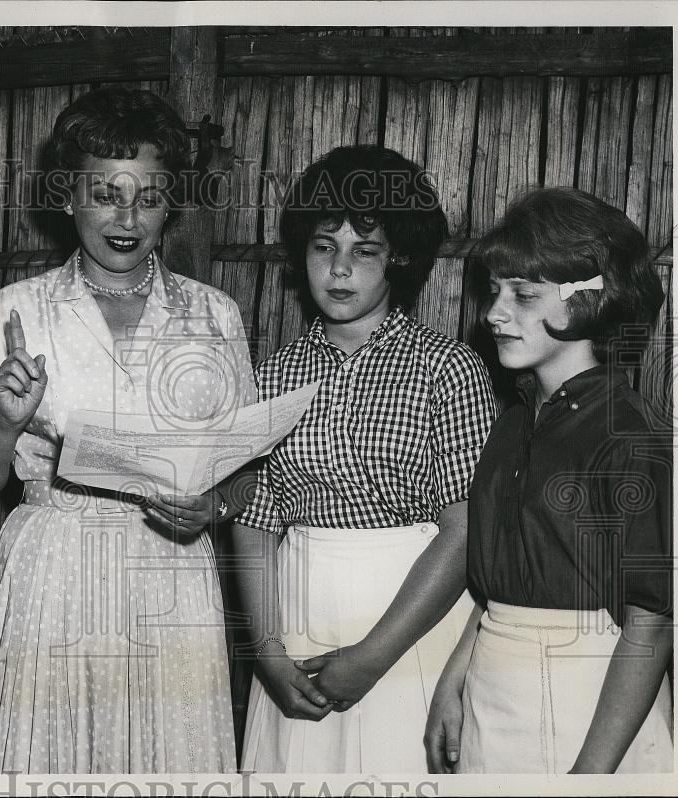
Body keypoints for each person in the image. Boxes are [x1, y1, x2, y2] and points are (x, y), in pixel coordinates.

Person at [0, 86, 256, 774]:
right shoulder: (16, 310)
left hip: (171, 566)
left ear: (171, 204)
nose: (127, 218)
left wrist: (215, 506)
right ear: (66, 197)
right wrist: (6, 424)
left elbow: (248, 467)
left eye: (149, 197)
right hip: (51, 571)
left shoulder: (214, 314)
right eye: (105, 194)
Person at [232, 145, 496, 773]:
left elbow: (464, 531)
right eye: (324, 247)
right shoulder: (275, 374)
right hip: (296, 621)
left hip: (410, 623)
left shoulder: (447, 367)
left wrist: (372, 657)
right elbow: (254, 518)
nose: (340, 269)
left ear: (398, 258)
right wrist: (267, 651)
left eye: (365, 251)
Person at [424, 187, 673, 774]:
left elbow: (652, 621)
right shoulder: (511, 425)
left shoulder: (628, 435)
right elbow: (499, 591)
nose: (494, 313)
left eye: (523, 294)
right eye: (495, 291)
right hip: (493, 691)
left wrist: (591, 775)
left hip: (589, 703)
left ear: (591, 299)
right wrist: (453, 682)